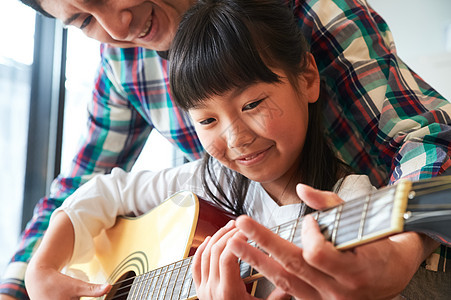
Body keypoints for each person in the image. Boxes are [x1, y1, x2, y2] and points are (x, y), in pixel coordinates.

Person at [2, 0, 451, 298]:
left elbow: (429, 146)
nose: (119, 25)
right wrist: (26, 279)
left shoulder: (307, 11)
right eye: (82, 21)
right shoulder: (124, 65)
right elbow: (87, 184)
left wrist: (402, 247)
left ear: (307, 77)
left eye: (252, 103)